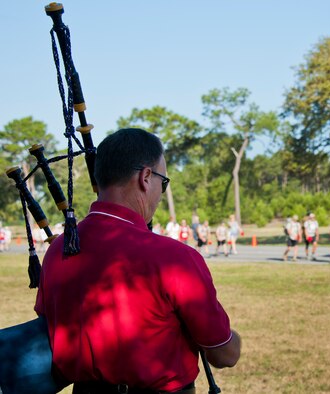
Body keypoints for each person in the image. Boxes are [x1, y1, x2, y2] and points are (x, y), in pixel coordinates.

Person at [34, 128, 241, 394]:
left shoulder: (59, 248)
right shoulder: (175, 257)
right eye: (163, 182)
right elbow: (224, 355)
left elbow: (48, 323)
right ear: (145, 177)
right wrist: (234, 339)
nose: (161, 193)